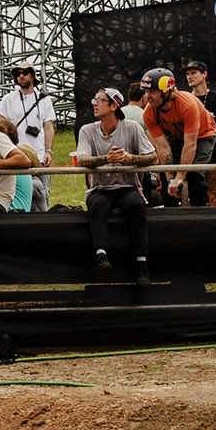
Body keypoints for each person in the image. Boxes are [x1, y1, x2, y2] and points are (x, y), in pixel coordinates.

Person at [72, 87, 157, 284]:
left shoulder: (132, 128)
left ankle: (141, 263)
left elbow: (152, 156)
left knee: (136, 205)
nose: (94, 103)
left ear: (113, 106)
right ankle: (101, 256)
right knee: (97, 204)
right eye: (95, 99)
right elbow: (82, 159)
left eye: (99, 100)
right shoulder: (87, 130)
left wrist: (129, 158)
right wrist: (105, 159)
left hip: (127, 187)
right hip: (100, 188)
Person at [142, 68, 216, 208]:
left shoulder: (187, 105)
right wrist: (171, 180)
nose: (147, 96)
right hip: (176, 138)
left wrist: (180, 177)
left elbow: (190, 145)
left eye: (152, 92)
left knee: (193, 172)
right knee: (165, 175)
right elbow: (162, 147)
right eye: (146, 92)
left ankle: (199, 212)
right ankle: (170, 216)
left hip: (202, 135)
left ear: (166, 92)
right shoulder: (148, 113)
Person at [0, 62, 56, 211]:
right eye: (18, 74)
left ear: (33, 75)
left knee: (43, 193)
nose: (21, 76)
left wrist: (49, 151)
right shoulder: (8, 99)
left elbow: (48, 128)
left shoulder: (44, 100)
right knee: (17, 195)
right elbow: (1, 126)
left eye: (25, 72)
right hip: (16, 155)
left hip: (39, 156)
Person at [183, 60, 216, 205]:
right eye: (187, 74)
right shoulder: (185, 100)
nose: (189, 77)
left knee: (215, 198)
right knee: (192, 199)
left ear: (204, 74)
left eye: (193, 73)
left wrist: (208, 129)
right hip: (191, 159)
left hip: (215, 157)